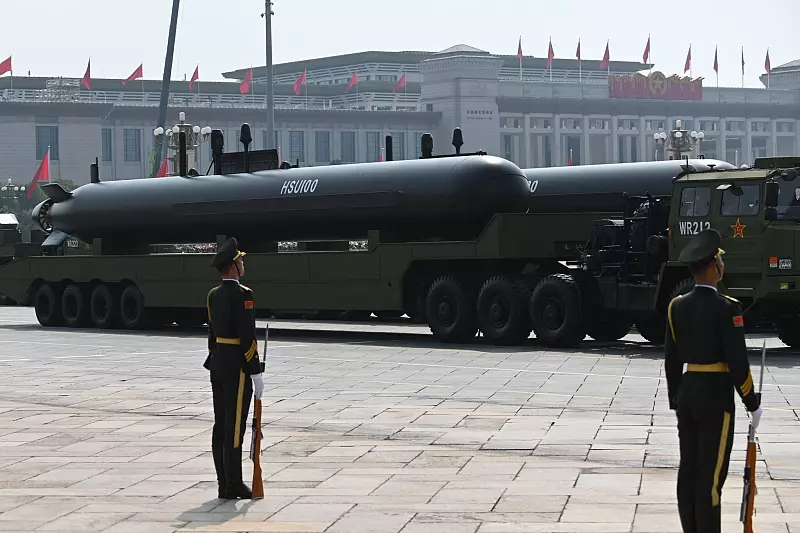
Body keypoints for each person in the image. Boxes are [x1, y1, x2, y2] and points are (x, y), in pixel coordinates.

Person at [664, 228, 763, 533]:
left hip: (688, 393)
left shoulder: (676, 306)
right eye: (720, 260)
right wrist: (751, 400)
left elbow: (671, 360)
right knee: (710, 478)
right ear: (713, 267)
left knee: (688, 474)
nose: (722, 264)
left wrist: (676, 397)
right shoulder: (727, 308)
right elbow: (737, 362)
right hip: (715, 398)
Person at [205, 237, 264, 499]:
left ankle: (222, 482)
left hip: (217, 364)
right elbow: (247, 336)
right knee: (235, 424)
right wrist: (255, 370)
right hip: (237, 367)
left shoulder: (212, 295)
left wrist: (217, 358)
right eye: (240, 260)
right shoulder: (243, 295)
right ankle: (234, 483)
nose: (243, 263)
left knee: (221, 422)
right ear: (232, 266)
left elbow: (212, 335)